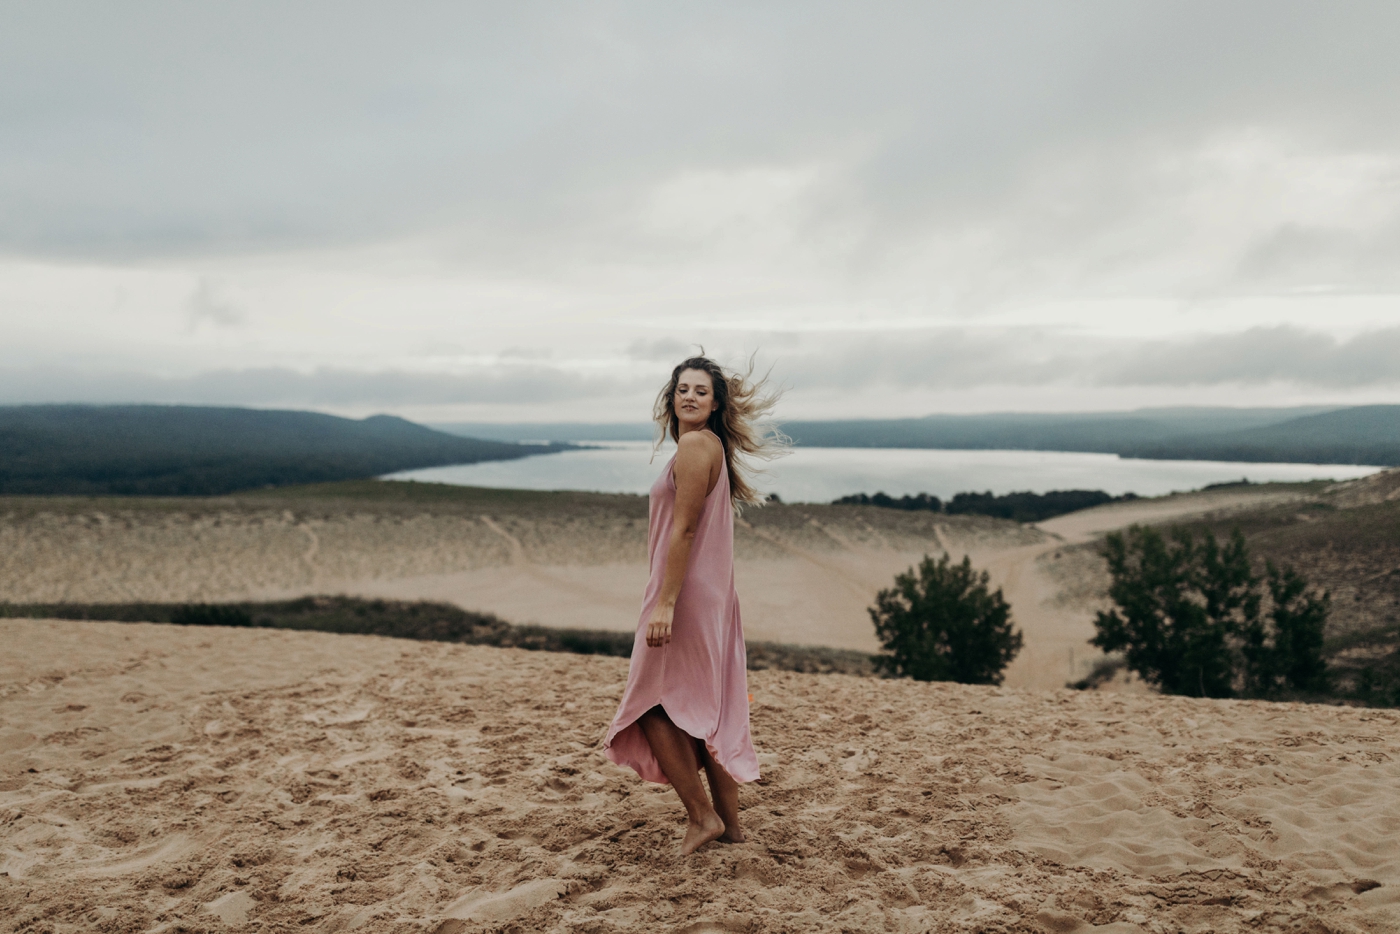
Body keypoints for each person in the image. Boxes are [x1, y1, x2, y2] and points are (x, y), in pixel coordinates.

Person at [602, 354, 784, 855]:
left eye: (701, 391)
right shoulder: (708, 447)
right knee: (712, 707)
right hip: (709, 594)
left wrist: (664, 604)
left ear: (716, 402)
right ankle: (733, 828)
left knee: (648, 703)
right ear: (671, 396)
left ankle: (703, 818)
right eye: (682, 388)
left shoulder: (695, 447)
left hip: (683, 596)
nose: (689, 396)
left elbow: (683, 529)